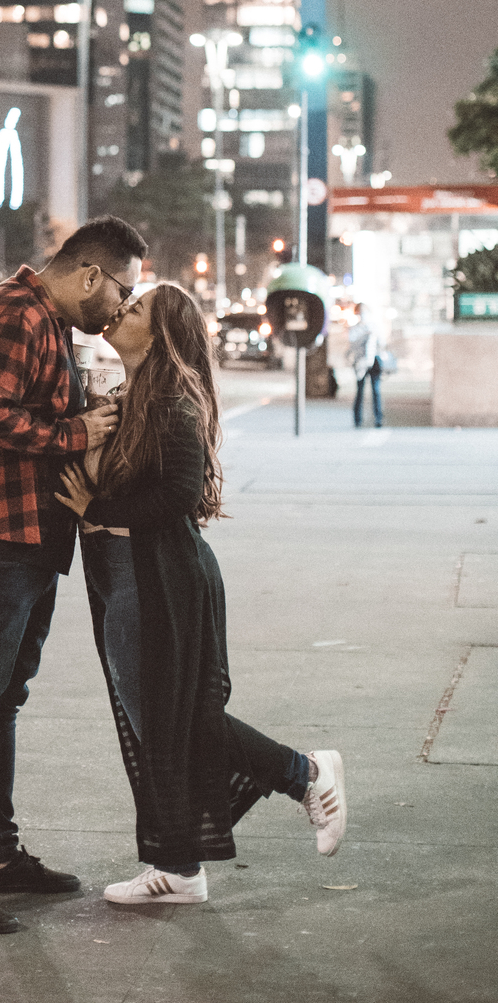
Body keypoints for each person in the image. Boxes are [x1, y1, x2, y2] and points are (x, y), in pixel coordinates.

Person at [54, 282, 348, 906]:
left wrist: (97, 508)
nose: (121, 310)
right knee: (160, 724)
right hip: (128, 575)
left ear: (159, 335)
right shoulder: (132, 397)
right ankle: (181, 867)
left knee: (173, 723)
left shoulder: (169, 401)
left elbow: (179, 496)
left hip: (159, 578)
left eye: (136, 309)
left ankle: (304, 774)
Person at [0, 215, 148, 935]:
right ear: (90, 275)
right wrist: (76, 433)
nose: (122, 309)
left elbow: (25, 409)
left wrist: (85, 414)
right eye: (122, 292)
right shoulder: (14, 315)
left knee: (0, 701)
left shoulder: (44, 320)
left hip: (19, 542)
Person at [349, 303, 383, 428]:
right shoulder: (354, 329)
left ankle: (378, 418)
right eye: (360, 312)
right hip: (360, 363)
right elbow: (352, 344)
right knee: (360, 391)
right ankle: (357, 419)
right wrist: (365, 336)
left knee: (376, 390)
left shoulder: (374, 326)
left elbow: (381, 342)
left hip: (374, 361)